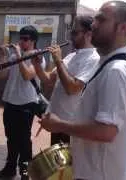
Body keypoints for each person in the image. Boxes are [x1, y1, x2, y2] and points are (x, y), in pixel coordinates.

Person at [38, 1, 126, 180]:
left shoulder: (117, 70)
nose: (93, 25)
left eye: (101, 20)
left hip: (101, 173)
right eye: (94, 19)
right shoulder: (108, 63)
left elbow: (106, 131)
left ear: (123, 28)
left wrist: (59, 125)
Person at [32, 15, 100, 145]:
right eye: (71, 32)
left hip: (71, 127)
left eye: (75, 32)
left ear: (88, 34)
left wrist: (58, 60)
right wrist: (37, 65)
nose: (71, 37)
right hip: (57, 123)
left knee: (68, 164)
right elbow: (48, 80)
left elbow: (72, 88)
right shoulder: (70, 56)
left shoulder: (93, 58)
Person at [0, 25, 45, 180]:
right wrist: (3, 55)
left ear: (33, 41)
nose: (21, 41)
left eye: (25, 39)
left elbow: (27, 76)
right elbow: (1, 75)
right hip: (10, 102)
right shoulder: (15, 56)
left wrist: (17, 54)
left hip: (26, 104)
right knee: (11, 138)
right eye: (20, 38)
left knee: (24, 141)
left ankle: (26, 173)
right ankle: (10, 169)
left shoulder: (38, 57)